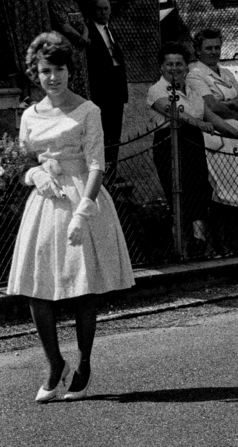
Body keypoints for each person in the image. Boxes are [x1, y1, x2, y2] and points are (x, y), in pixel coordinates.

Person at [7, 31, 134, 402]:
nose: (53, 78)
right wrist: (35, 174)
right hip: (45, 201)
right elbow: (22, 160)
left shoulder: (87, 110)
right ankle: (54, 363)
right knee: (37, 285)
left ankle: (84, 362)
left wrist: (84, 210)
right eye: (46, 71)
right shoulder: (30, 114)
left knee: (82, 286)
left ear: (69, 71)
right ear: (37, 73)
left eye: (59, 70)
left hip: (81, 197)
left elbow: (97, 164)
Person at [148, 43, 230, 257]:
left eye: (179, 64)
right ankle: (181, 250)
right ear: (161, 67)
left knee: (200, 197)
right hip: (169, 145)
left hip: (194, 144)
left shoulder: (193, 91)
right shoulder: (156, 90)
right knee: (178, 197)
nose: (174, 68)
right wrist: (197, 123)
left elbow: (212, 118)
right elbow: (174, 112)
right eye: (169, 64)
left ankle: (201, 247)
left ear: (186, 67)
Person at [187, 28, 238, 256]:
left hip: (237, 135)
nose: (214, 52)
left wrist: (232, 106)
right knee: (220, 192)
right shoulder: (195, 75)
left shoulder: (226, 73)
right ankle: (220, 242)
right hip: (215, 137)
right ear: (197, 50)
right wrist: (234, 104)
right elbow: (211, 108)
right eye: (208, 48)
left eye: (217, 47)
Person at [84, 0, 128, 179]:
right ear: (93, 11)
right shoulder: (89, 31)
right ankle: (100, 175)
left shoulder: (111, 30)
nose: (103, 13)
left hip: (116, 90)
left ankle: (112, 173)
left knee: (114, 134)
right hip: (100, 91)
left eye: (106, 9)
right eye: (99, 9)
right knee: (101, 134)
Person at [0, 0, 52, 94]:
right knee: (18, 45)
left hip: (35, 0)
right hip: (15, 0)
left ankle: (34, 90)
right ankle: (21, 93)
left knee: (38, 42)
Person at [46, 0, 87, 98]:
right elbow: (66, 26)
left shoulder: (73, 3)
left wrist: (85, 37)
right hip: (68, 50)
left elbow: (84, 24)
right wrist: (80, 38)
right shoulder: (55, 4)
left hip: (80, 51)